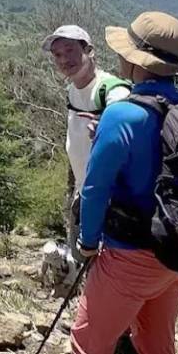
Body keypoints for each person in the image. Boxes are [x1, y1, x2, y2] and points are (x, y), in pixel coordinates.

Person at [45, 11, 178, 354]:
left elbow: (94, 188)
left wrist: (88, 242)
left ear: (132, 60)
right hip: (177, 253)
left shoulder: (124, 114)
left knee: (91, 342)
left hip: (130, 253)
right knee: (156, 341)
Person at [41, 24, 132, 244]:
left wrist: (109, 125)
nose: (63, 60)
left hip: (113, 203)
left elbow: (127, 123)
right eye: (57, 55)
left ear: (89, 50)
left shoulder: (112, 91)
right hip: (84, 196)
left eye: (70, 50)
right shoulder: (72, 91)